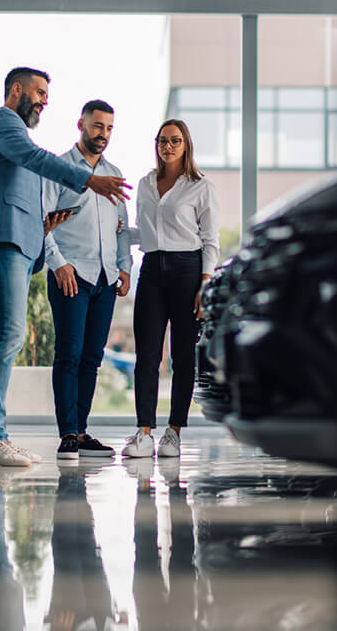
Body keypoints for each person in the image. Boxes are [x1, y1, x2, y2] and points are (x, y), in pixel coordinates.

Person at [0, 67, 130, 468]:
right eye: (38, 92)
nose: (43, 101)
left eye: (46, 96)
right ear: (15, 89)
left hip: (18, 243)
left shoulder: (15, 134)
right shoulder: (3, 123)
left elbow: (30, 203)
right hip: (0, 239)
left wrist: (44, 230)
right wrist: (89, 181)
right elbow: (35, 159)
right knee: (7, 336)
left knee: (10, 337)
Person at [122, 119, 220, 459]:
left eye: (175, 141)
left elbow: (210, 240)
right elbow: (146, 232)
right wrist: (118, 233)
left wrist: (205, 283)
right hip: (150, 269)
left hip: (187, 271)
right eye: (163, 141)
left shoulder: (200, 186)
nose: (168, 146)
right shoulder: (145, 183)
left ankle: (174, 432)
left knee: (182, 356)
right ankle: (144, 432)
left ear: (186, 145)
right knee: (147, 354)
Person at [42, 99, 132, 460]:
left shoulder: (114, 172)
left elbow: (121, 228)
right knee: (69, 355)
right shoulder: (59, 169)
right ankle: (67, 434)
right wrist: (58, 264)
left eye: (109, 128)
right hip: (71, 275)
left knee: (92, 358)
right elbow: (41, 220)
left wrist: (124, 266)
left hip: (106, 278)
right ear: (81, 124)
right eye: (97, 126)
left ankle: (80, 431)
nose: (103, 134)